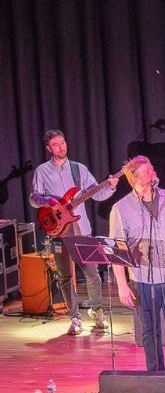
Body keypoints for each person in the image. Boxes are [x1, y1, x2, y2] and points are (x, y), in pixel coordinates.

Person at [108, 156, 165, 384]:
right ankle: (156, 379)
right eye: (147, 171)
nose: (153, 173)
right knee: (150, 332)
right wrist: (122, 285)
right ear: (134, 179)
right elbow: (117, 251)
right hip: (143, 281)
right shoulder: (121, 209)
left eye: (152, 169)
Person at [29, 128, 120, 334]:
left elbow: (97, 194)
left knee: (92, 273)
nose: (61, 147)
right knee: (64, 277)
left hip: (81, 229)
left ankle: (97, 311)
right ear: (48, 148)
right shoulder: (42, 171)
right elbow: (34, 198)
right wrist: (47, 201)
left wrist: (111, 186)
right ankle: (75, 318)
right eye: (55, 144)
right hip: (58, 230)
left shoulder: (79, 169)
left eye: (62, 142)